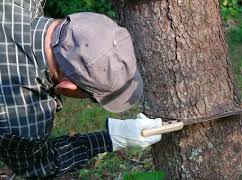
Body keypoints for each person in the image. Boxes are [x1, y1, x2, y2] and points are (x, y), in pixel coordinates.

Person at [0, 0, 162, 178]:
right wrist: (113, 137)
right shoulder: (19, 119)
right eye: (92, 96)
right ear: (67, 87)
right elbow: (41, 166)